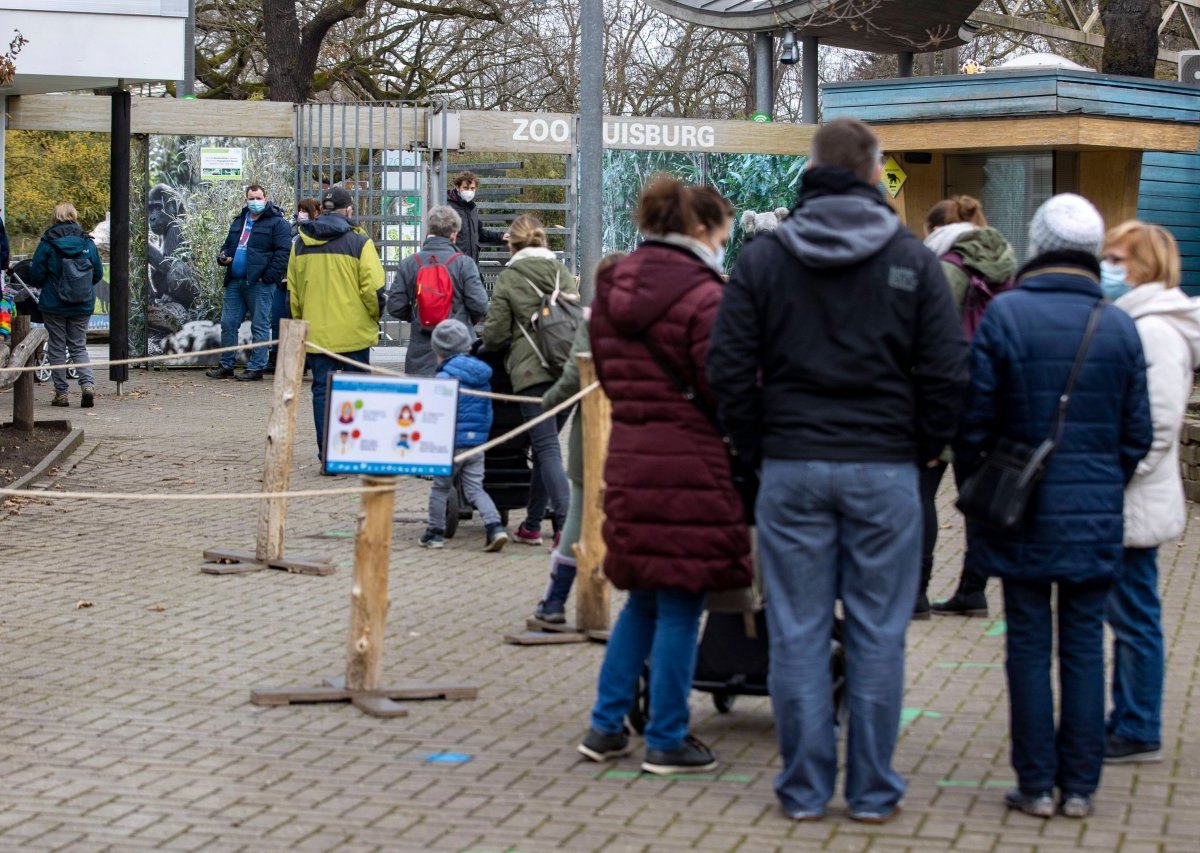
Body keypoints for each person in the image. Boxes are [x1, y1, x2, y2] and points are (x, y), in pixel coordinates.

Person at [707, 118, 969, 823]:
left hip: (791, 466)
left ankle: (802, 790)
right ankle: (874, 791)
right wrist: (921, 445)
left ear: (813, 170)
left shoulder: (765, 259)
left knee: (795, 629)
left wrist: (756, 446)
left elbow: (727, 368)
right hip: (884, 467)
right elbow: (948, 371)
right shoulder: (911, 259)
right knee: (880, 632)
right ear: (874, 171)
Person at [955, 194, 1152, 819]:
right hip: (1093, 516)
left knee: (1029, 648)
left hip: (1020, 514)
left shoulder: (1006, 316)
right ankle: (1083, 788)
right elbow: (1138, 435)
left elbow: (974, 420)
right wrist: (1100, 483)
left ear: (1037, 244)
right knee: (1085, 648)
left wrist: (995, 477)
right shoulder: (1118, 324)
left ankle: (1036, 784)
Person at [576, 177, 752, 775]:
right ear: (701, 229)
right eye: (723, 229)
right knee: (680, 603)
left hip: (630, 453)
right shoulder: (707, 297)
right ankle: (667, 737)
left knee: (643, 601)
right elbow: (724, 384)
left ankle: (605, 727)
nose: (724, 239)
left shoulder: (612, 288)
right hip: (692, 464)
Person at [1100, 221, 1200, 765]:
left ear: (1145, 266)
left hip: (1133, 501)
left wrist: (1108, 477)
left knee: (1136, 615)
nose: (1106, 267)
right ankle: (1130, 716)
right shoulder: (1139, 320)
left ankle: (1138, 724)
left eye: (1116, 258)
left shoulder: (1156, 329)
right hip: (1129, 497)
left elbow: (1156, 427)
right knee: (1132, 612)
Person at [920, 196, 1017, 619]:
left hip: (946, 396)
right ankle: (972, 590)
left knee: (920, 493)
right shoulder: (1006, 263)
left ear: (936, 231)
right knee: (975, 496)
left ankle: (915, 593)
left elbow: (930, 338)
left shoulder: (945, 266)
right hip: (991, 395)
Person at [531, 251, 626, 624]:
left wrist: (547, 405)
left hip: (595, 439)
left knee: (580, 516)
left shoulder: (598, 319)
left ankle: (555, 601)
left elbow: (575, 374)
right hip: (641, 436)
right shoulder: (653, 321)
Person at [480, 215, 577, 546]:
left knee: (546, 447)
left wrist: (488, 344)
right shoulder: (562, 272)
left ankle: (564, 524)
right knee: (543, 446)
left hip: (532, 373)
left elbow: (494, 333)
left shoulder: (511, 276)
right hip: (568, 371)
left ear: (512, 244)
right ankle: (533, 524)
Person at [287, 187, 385, 460]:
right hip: (355, 332)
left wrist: (301, 323)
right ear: (349, 210)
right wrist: (373, 317)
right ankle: (354, 452)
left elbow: (293, 293)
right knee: (358, 390)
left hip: (317, 333)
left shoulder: (300, 243)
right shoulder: (359, 241)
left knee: (322, 391)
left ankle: (328, 455)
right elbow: (373, 289)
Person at [419, 318, 510, 552]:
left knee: (440, 488)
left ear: (439, 352)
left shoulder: (442, 380)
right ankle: (494, 527)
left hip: (450, 445)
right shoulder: (482, 378)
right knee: (475, 489)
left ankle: (435, 532)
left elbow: (434, 414)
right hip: (476, 444)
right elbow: (487, 413)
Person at [387, 205, 489, 376]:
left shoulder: (409, 263)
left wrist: (418, 315)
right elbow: (480, 305)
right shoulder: (464, 263)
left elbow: (395, 306)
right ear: (454, 233)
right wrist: (462, 318)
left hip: (420, 354)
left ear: (429, 229)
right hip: (460, 350)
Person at [208, 184, 291, 382]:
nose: (255, 201)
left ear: (266, 198)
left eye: (258, 197)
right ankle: (227, 365)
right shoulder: (239, 221)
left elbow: (283, 253)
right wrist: (223, 256)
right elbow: (228, 245)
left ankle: (257, 367)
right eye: (251, 198)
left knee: (260, 325)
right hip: (235, 281)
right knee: (228, 324)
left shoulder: (278, 223)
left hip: (259, 283)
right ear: (246, 200)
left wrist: (268, 277)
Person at [30, 203, 105, 408]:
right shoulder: (86, 242)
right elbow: (97, 273)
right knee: (78, 345)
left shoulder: (48, 242)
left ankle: (61, 395)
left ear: (55, 217)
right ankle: (87, 385)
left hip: (54, 304)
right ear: (74, 216)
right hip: (81, 304)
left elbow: (36, 273)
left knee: (56, 347)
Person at [446, 170, 506, 265]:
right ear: (457, 187)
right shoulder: (447, 207)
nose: (469, 191)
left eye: (472, 188)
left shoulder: (472, 208)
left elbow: (478, 232)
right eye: (465, 188)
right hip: (455, 264)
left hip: (472, 263)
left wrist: (501, 236)